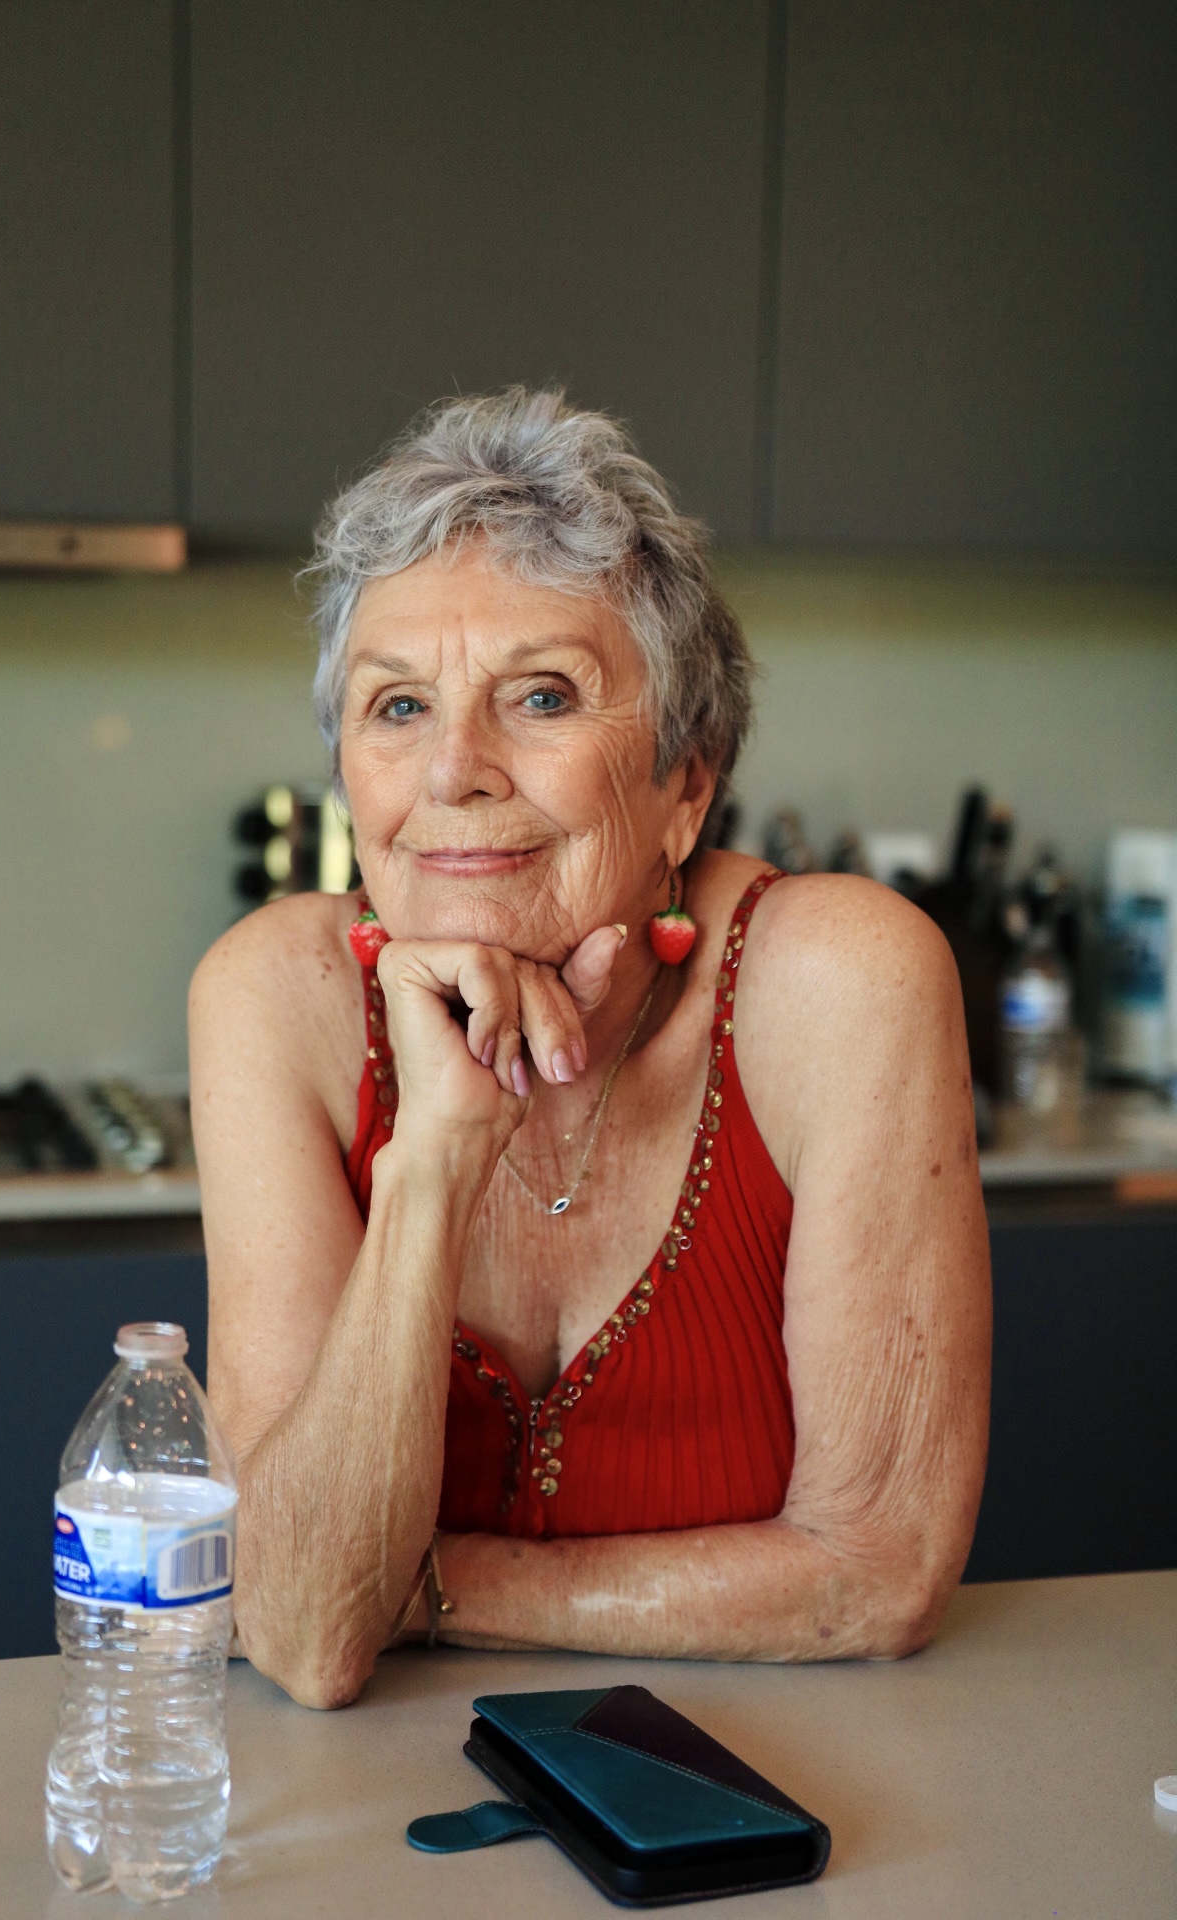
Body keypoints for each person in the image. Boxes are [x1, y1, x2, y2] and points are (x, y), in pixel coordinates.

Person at [190, 388, 991, 1709]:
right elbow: (307, 1633)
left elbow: (878, 1571)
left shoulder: (843, 978)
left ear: (688, 783)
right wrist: (434, 1159)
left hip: (782, 1783)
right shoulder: (278, 996)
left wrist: (428, 1591)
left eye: (542, 695)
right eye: (398, 707)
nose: (453, 770)